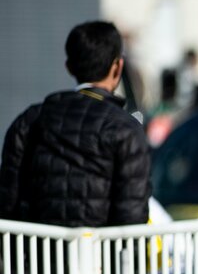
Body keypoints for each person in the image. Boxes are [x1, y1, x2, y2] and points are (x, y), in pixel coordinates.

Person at [0, 20, 151, 227]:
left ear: (69, 67)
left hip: (36, 247)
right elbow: (132, 218)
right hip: (98, 248)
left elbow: (7, 203)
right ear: (117, 67)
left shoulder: (28, 121)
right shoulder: (126, 128)